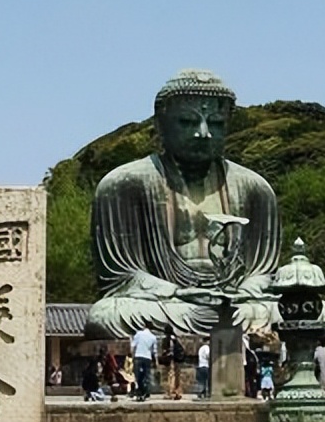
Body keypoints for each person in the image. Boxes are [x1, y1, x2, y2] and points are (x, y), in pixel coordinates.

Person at [85, 70, 283, 337]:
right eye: (188, 122)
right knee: (106, 315)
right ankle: (225, 323)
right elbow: (122, 276)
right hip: (169, 302)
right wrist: (176, 292)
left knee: (315, 312)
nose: (203, 134)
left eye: (215, 123)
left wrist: (243, 294)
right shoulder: (123, 184)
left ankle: (230, 318)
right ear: (160, 124)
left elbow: (263, 272)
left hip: (238, 302)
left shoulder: (255, 188)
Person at [130, 324, 157, 401]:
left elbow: (133, 346)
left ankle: (141, 391)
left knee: (138, 376)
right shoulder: (153, 337)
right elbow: (154, 351)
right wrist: (156, 361)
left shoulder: (139, 334)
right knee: (146, 376)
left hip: (138, 356)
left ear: (144, 326)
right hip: (147, 357)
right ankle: (145, 391)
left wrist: (131, 356)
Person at [161, 327, 185, 400]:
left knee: (170, 376)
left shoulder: (167, 339)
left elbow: (165, 350)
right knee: (176, 376)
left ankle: (171, 392)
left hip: (170, 360)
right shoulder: (176, 339)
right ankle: (177, 392)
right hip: (177, 360)